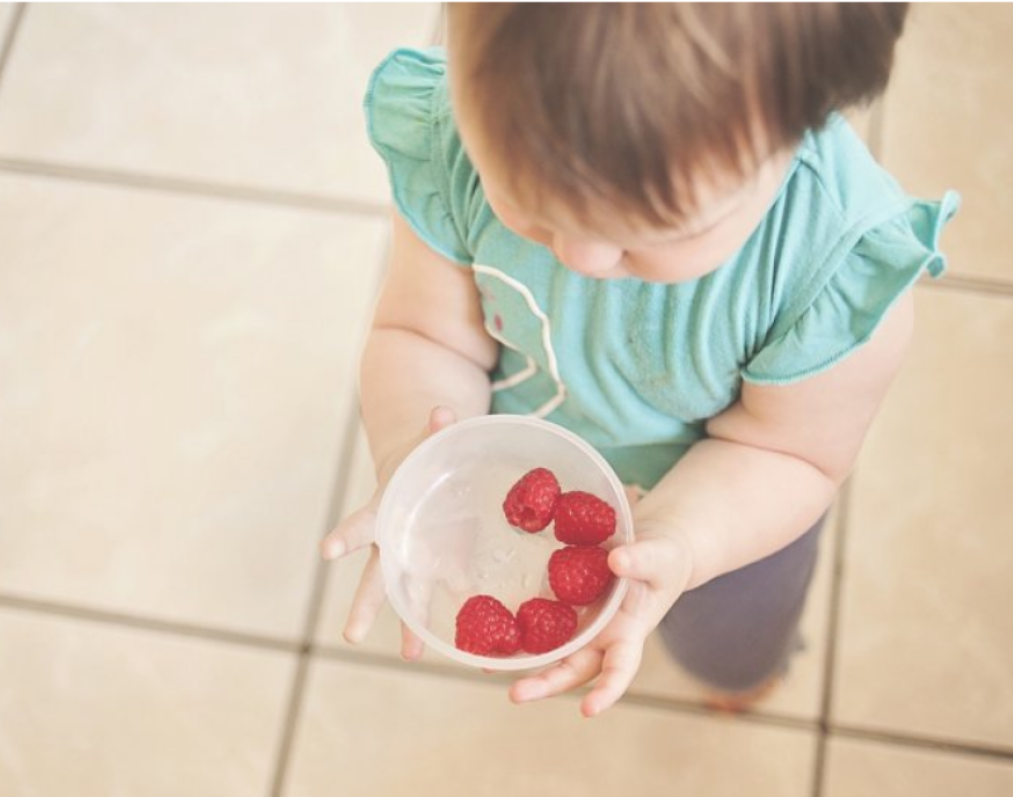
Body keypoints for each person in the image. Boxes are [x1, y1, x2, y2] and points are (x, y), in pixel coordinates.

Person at [321, 3, 958, 717]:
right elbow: (426, 336)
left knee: (730, 639)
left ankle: (741, 674)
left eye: (647, 235)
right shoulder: (460, 140)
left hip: (729, 510)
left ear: (803, 121)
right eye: (530, 203)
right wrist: (416, 458)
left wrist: (682, 542)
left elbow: (792, 454)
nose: (581, 257)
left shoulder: (831, 268)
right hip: (532, 462)